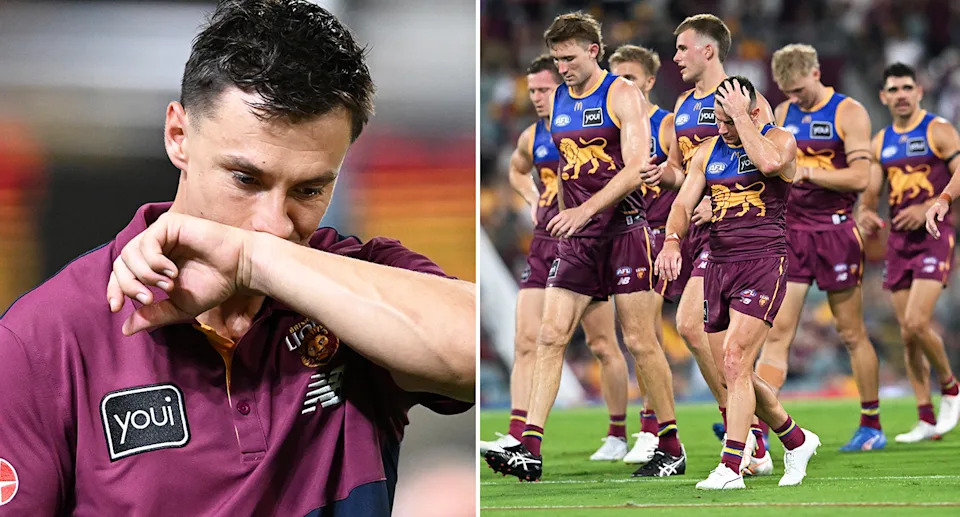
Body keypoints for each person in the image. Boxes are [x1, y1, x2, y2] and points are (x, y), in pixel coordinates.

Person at [0, 2, 475, 515]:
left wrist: (252, 261)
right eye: (246, 180)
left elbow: (484, 354)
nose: (273, 224)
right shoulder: (44, 340)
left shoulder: (362, 282)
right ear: (178, 136)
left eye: (310, 189)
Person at [484, 11, 683, 481]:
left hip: (625, 233)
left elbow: (636, 166)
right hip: (576, 240)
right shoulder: (557, 103)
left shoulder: (621, 94)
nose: (563, 68)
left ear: (594, 51)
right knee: (550, 335)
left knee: (638, 340)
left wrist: (585, 209)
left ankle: (669, 445)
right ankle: (529, 446)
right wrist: (547, 202)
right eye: (557, 59)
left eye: (570, 58)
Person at [656, 76, 820, 490]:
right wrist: (672, 242)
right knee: (733, 369)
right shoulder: (707, 153)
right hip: (719, 264)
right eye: (717, 119)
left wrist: (743, 120)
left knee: (734, 359)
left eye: (728, 120)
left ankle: (732, 466)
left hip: (764, 261)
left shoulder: (781, 141)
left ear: (752, 113)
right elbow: (681, 203)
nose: (721, 128)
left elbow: (767, 165)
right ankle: (796, 440)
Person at [478, 55, 630, 462]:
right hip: (545, 242)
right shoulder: (532, 136)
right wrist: (530, 198)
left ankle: (618, 433)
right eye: (533, 91)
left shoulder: (586, 127)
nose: (539, 97)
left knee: (602, 343)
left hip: (584, 240)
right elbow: (516, 170)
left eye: (545, 89)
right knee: (527, 338)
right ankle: (517, 433)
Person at [656, 13, 776, 475]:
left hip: (737, 233)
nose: (676, 57)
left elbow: (770, 166)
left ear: (708, 50)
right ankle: (763, 436)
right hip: (695, 232)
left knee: (690, 325)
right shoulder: (683, 103)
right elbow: (680, 173)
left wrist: (719, 202)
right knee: (714, 343)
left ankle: (745, 437)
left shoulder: (751, 102)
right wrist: (658, 175)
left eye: (682, 48)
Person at [760, 43, 883, 452]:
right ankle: (759, 422)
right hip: (792, 232)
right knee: (777, 332)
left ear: (815, 73)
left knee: (851, 332)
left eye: (798, 91)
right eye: (787, 92)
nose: (793, 99)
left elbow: (863, 177)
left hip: (834, 232)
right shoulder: (782, 113)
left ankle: (871, 423)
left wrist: (808, 171)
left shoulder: (848, 112)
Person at [861, 62, 960, 442]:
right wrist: (866, 212)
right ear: (884, 97)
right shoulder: (880, 141)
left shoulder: (938, 129)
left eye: (907, 87)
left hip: (935, 232)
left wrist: (938, 201)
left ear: (919, 91)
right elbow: (871, 191)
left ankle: (950, 387)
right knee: (906, 334)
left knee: (917, 322)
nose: (901, 94)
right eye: (893, 89)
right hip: (898, 242)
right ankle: (926, 417)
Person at [607, 44, 678, 465]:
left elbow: (688, 177)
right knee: (639, 337)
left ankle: (653, 431)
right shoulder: (611, 124)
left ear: (649, 81)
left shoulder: (664, 123)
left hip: (658, 236)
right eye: (616, 77)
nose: (622, 85)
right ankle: (650, 426)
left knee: (644, 335)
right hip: (626, 235)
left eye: (630, 77)